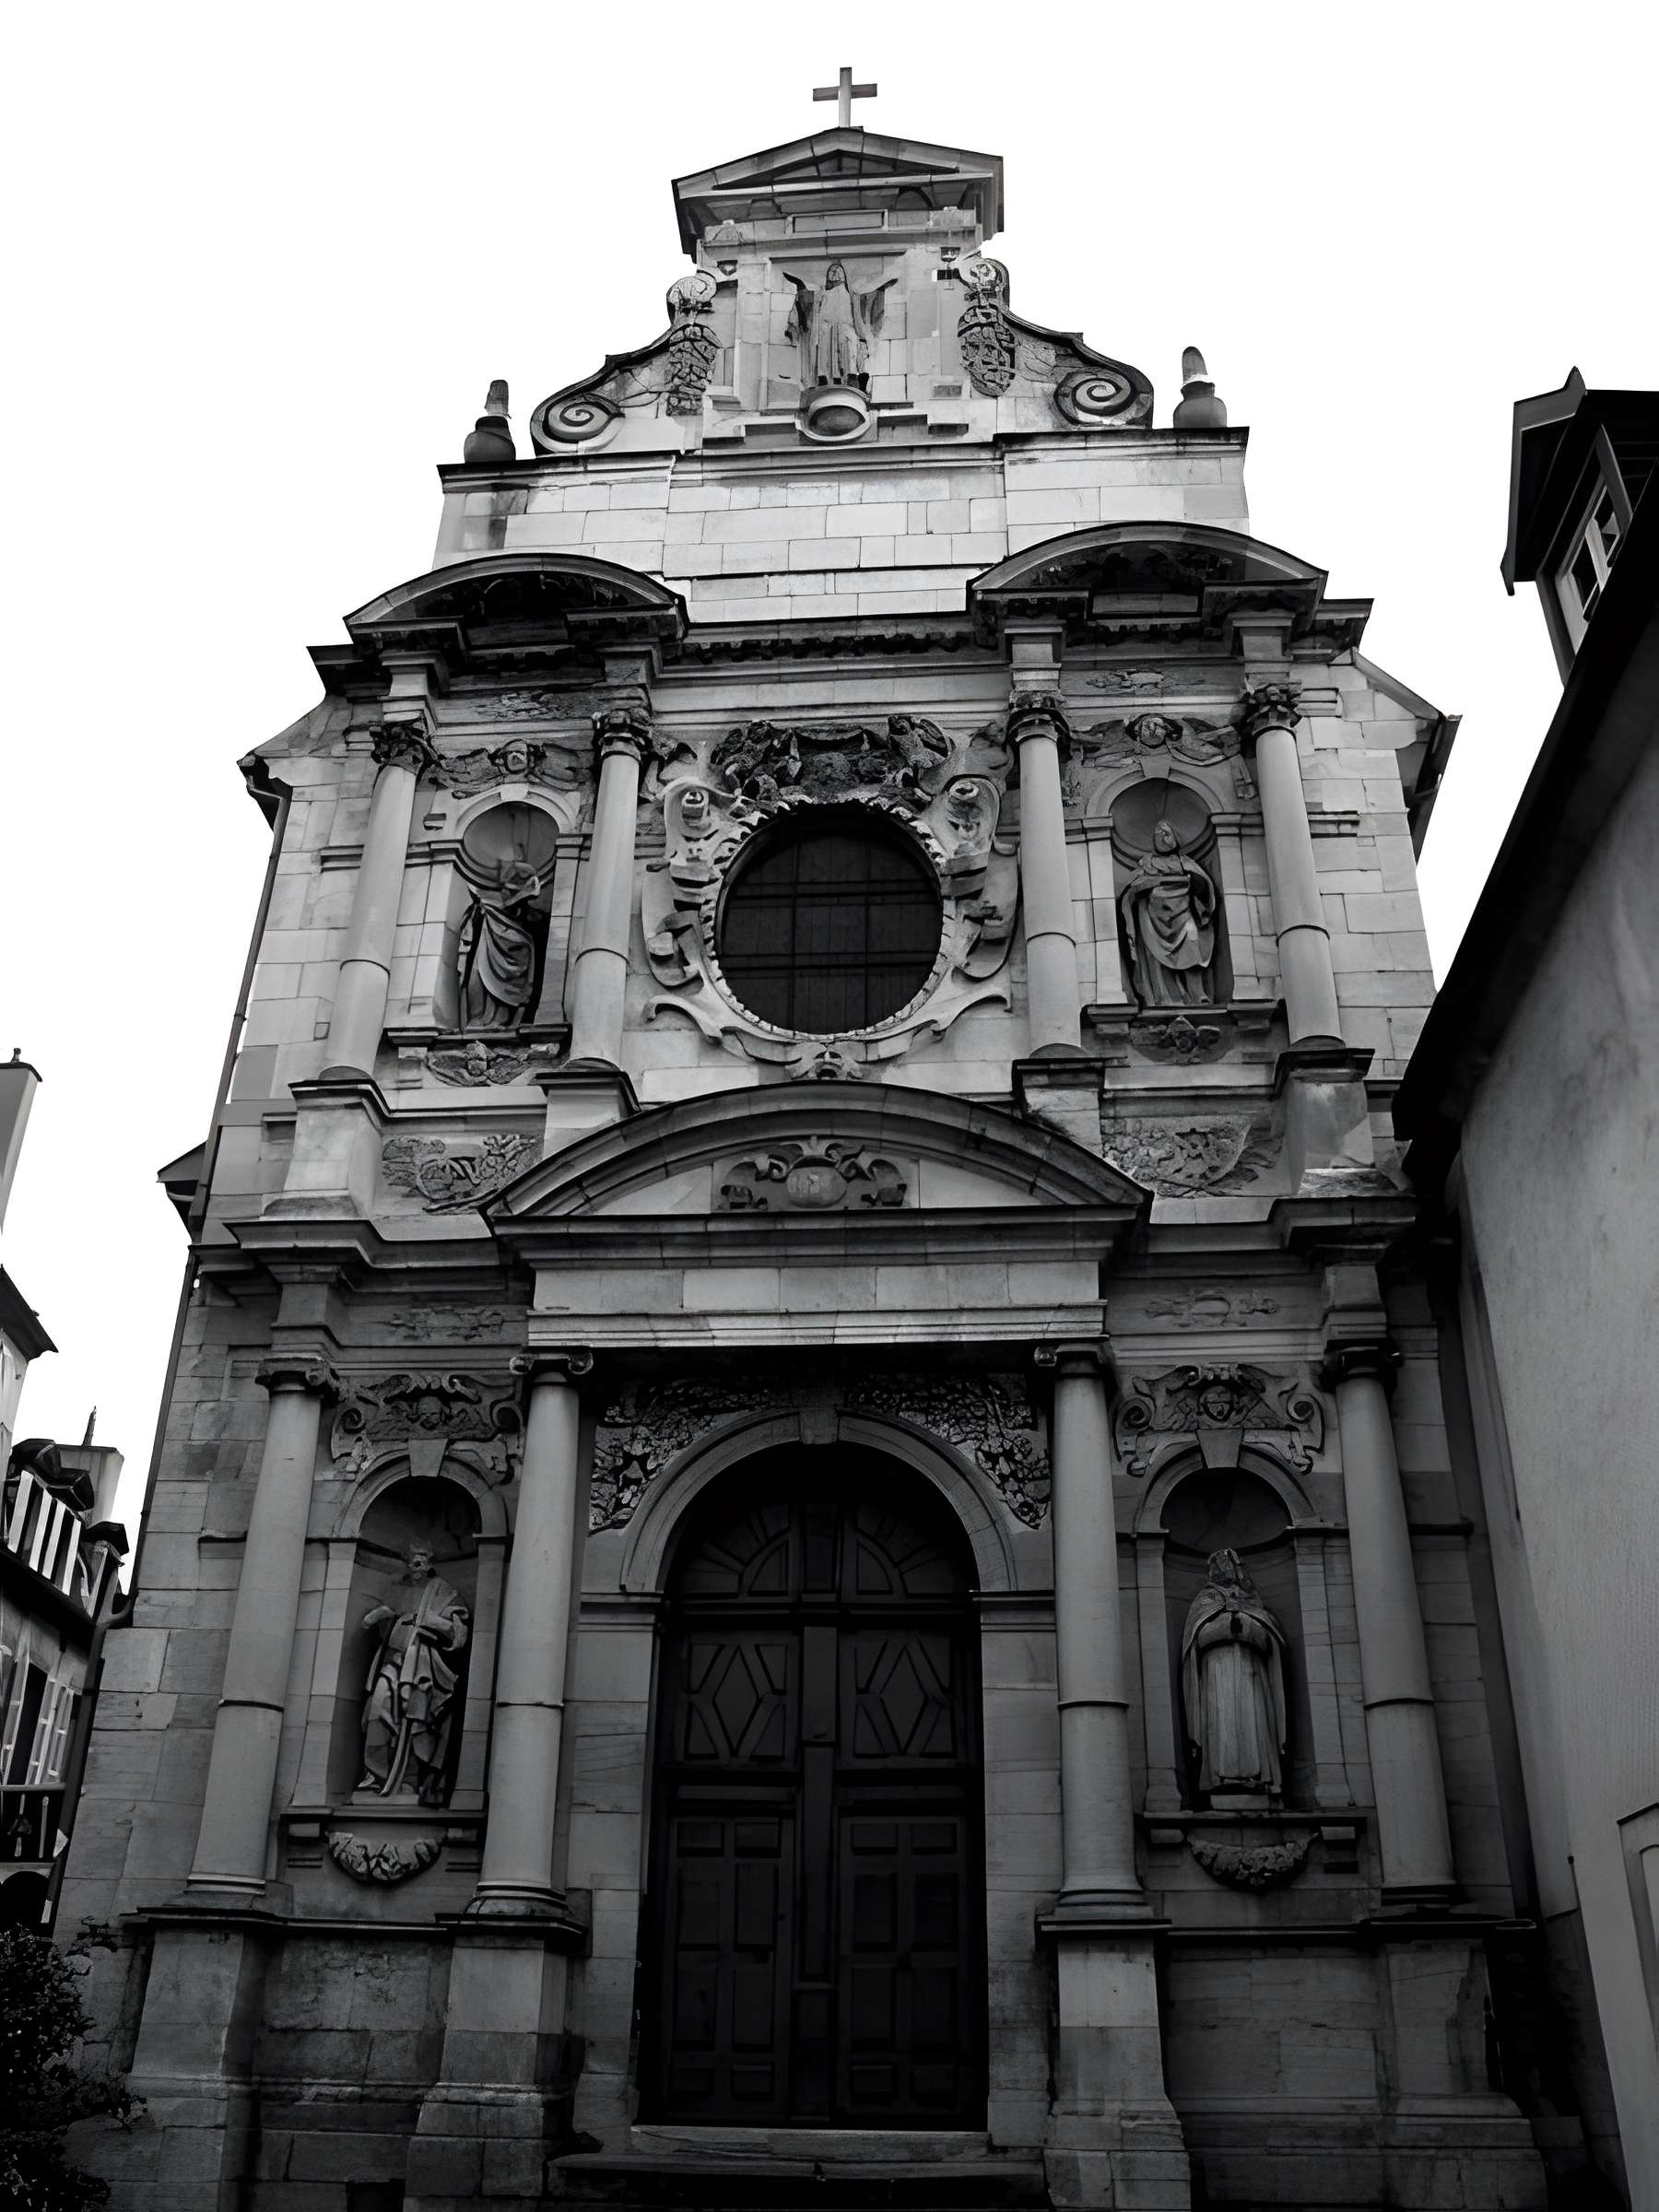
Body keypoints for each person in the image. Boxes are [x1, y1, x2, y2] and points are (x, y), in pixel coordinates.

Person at [359, 1544, 469, 1806]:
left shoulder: (442, 1590)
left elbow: (459, 1633)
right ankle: (376, 1776)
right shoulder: (397, 1588)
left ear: (429, 1562)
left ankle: (409, 1779)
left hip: (422, 1666)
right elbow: (385, 1613)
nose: (415, 1567)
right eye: (411, 1562)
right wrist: (378, 1616)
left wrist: (431, 1620)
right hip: (393, 1661)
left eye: (419, 1561)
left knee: (414, 1718)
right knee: (377, 1708)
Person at [1180, 1547, 1288, 1796]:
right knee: (1221, 1719)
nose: (1224, 1569)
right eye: (1219, 1566)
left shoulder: (1253, 1601)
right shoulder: (1205, 1600)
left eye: (1229, 1565)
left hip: (1252, 1672)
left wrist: (1248, 1627)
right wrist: (1227, 1625)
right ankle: (1220, 1776)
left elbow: (1271, 1639)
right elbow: (1194, 1639)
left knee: (1255, 1718)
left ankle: (1262, 1775)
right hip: (1218, 1671)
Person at [1117, 818, 1218, 1006]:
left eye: (1167, 833)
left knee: (1192, 941)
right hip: (1153, 915)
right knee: (1154, 954)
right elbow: (1130, 890)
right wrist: (1147, 885)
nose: (1163, 837)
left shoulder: (1185, 862)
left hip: (1183, 912)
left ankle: (1197, 993)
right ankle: (1165, 996)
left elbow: (1204, 885)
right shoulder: (1148, 863)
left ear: (1175, 837)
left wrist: (1193, 881)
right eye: (1159, 834)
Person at [457, 855, 542, 1029]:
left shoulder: (519, 912)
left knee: (506, 978)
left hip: (514, 943)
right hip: (489, 939)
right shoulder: (489, 909)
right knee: (479, 973)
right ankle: (479, 1018)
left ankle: (499, 1019)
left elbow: (528, 916)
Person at [783, 262, 898, 388]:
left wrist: (881, 290)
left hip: (846, 328)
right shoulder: (821, 293)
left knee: (850, 354)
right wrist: (799, 285)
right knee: (825, 355)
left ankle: (852, 381)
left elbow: (867, 302)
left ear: (844, 275)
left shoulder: (851, 294)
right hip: (826, 329)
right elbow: (807, 302)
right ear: (828, 275)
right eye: (832, 270)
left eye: (838, 270)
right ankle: (824, 381)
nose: (835, 272)